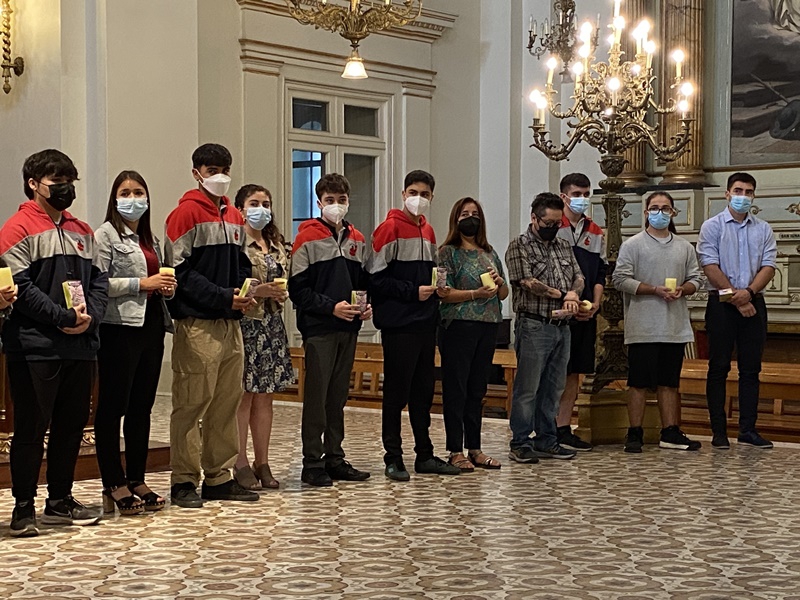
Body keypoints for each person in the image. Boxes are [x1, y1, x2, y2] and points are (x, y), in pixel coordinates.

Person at [0, 149, 109, 537]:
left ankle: (60, 499)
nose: (65, 188)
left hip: (80, 345)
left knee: (71, 425)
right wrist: (62, 318)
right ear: (34, 184)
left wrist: (90, 317)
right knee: (31, 428)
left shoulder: (83, 230)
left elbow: (99, 282)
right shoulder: (17, 228)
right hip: (35, 346)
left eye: (69, 181)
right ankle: (23, 507)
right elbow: (21, 288)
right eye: (56, 181)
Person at [164, 143, 259, 508]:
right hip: (198, 323)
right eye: (212, 170)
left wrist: (243, 289)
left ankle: (218, 476)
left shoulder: (234, 215)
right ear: (197, 173)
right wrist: (221, 295)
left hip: (230, 322)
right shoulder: (184, 214)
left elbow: (242, 261)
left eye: (225, 169)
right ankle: (184, 480)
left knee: (226, 402)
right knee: (192, 403)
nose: (220, 176)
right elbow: (180, 271)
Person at [366, 170, 461, 481]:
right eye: (413, 192)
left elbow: (430, 273)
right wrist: (411, 292)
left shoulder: (428, 231)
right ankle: (393, 457)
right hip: (399, 323)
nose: (418, 198)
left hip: (425, 322)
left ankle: (425, 454)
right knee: (396, 393)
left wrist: (438, 289)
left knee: (423, 393)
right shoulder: (389, 229)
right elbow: (375, 278)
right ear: (403, 194)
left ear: (432, 197)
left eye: (424, 194)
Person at [94, 170, 176, 515]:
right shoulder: (105, 235)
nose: (133, 198)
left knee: (142, 406)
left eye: (139, 192)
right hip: (118, 328)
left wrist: (165, 287)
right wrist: (141, 284)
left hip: (151, 325)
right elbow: (98, 283)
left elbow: (159, 277)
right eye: (125, 193)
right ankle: (114, 482)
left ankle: (137, 478)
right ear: (115, 199)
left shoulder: (151, 238)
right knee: (114, 407)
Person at [289, 174, 373, 487]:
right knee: (317, 396)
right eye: (329, 200)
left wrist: (365, 306)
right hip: (319, 328)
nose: (336, 205)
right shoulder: (306, 239)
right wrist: (330, 307)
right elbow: (298, 290)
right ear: (319, 202)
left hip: (348, 328)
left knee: (337, 396)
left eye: (341, 200)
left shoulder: (357, 239)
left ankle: (334, 457)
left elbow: (362, 282)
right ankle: (312, 462)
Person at [613, 192, 705, 453]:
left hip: (673, 325)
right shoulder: (633, 245)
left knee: (669, 382)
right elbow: (620, 279)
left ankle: (670, 431)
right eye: (655, 208)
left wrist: (683, 289)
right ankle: (635, 432)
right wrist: (653, 289)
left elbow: (696, 278)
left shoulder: (684, 247)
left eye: (665, 208)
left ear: (673, 212)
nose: (660, 212)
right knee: (638, 382)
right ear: (646, 212)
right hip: (643, 325)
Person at [697, 172, 777, 449]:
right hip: (722, 303)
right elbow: (709, 265)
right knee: (718, 367)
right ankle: (719, 431)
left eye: (748, 192)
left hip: (754, 301)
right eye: (738, 190)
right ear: (727, 194)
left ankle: (748, 430)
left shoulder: (763, 229)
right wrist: (737, 298)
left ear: (754, 196)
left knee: (751, 370)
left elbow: (768, 266)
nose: (743, 196)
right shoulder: (712, 226)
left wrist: (749, 294)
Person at [505, 192, 584, 463]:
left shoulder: (563, 246)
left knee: (554, 387)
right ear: (534, 218)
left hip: (562, 326)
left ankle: (547, 438)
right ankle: (520, 441)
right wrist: (563, 295)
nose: (553, 228)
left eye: (557, 223)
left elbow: (578, 276)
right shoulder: (520, 245)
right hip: (534, 325)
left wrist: (574, 293)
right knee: (528, 388)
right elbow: (527, 282)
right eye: (548, 223)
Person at [437, 197, 507, 471]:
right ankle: (455, 449)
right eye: (464, 214)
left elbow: (504, 293)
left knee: (477, 388)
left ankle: (475, 447)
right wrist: (475, 294)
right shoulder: (447, 252)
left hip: (488, 325)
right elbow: (443, 293)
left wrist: (499, 283)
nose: (470, 218)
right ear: (456, 219)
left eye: (475, 213)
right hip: (458, 325)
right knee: (457, 388)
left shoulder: (489, 252)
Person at [233, 184, 293, 490]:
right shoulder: (237, 243)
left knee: (265, 396)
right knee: (244, 394)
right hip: (247, 323)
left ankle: (263, 460)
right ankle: (240, 460)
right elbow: (234, 284)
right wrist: (259, 291)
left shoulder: (276, 244)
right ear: (241, 209)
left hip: (272, 324)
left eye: (266, 203)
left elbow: (286, 279)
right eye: (254, 203)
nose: (261, 209)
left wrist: (279, 292)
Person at [555, 173, 606, 452]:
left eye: (586, 194)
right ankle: (546, 426)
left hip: (585, 312)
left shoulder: (595, 230)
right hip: (558, 310)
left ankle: (564, 427)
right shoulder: (553, 225)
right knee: (555, 371)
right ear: (563, 196)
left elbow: (599, 273)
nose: (582, 199)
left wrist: (595, 304)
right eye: (576, 194)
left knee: (574, 372)